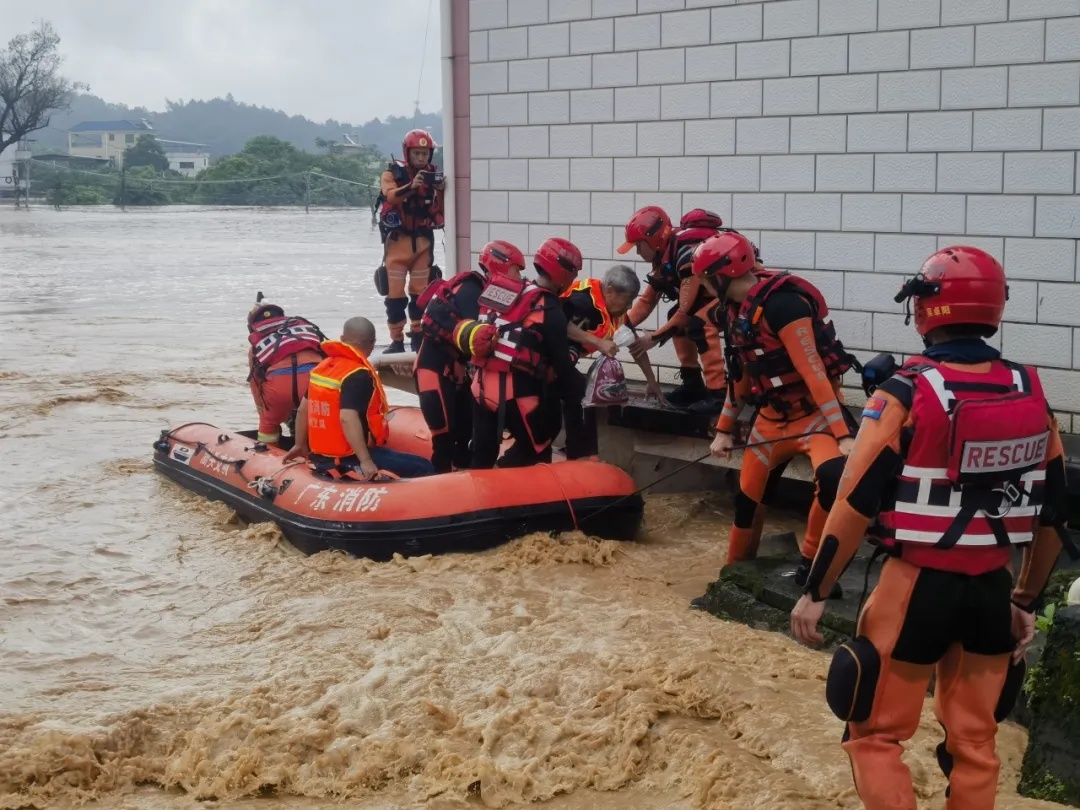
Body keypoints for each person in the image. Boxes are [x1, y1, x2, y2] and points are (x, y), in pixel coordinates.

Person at [790, 246, 1077, 810]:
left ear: (926, 307)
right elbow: (1054, 514)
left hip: (915, 587)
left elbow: (852, 501)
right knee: (975, 741)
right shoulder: (1031, 393)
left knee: (874, 735)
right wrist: (1025, 598)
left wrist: (816, 591)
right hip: (993, 588)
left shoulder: (905, 392)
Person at [691, 231, 861, 591]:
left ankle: (812, 565)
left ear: (721, 275)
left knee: (835, 479)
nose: (702, 287)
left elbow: (814, 374)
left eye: (705, 279)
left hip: (815, 418)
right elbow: (741, 374)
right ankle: (733, 573)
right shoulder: (732, 312)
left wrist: (844, 436)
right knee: (746, 500)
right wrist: (724, 430)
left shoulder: (786, 307)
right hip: (769, 419)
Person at [469, 237, 585, 469]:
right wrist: (575, 354)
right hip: (517, 396)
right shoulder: (550, 308)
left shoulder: (509, 291)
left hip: (480, 388)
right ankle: (571, 462)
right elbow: (562, 367)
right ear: (565, 273)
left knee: (480, 461)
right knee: (538, 452)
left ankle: (479, 492)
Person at [414, 239, 526, 473]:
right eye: (517, 270)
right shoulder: (470, 289)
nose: (519, 277)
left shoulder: (483, 292)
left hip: (458, 372)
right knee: (444, 439)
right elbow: (477, 337)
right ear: (501, 266)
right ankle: (440, 494)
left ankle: (466, 483)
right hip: (433, 370)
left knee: (465, 434)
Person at [284, 317, 435, 479]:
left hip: (320, 457)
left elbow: (302, 411)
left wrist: (299, 445)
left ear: (342, 339)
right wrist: (365, 460)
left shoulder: (323, 368)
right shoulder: (358, 374)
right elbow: (347, 418)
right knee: (423, 466)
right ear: (373, 343)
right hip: (348, 458)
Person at [617, 206, 729, 413]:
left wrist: (652, 338)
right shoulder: (668, 255)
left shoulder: (686, 253)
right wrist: (619, 325)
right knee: (676, 318)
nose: (638, 252)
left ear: (654, 238)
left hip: (738, 298)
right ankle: (693, 386)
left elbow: (684, 313)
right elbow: (647, 301)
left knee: (700, 323)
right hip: (714, 298)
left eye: (639, 246)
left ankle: (718, 396)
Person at [560, 264, 667, 459]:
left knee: (583, 393)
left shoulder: (617, 312)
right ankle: (579, 454)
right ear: (609, 292)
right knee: (577, 392)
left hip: (566, 360)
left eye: (632, 301)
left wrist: (652, 382)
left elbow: (636, 346)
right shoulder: (583, 302)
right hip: (547, 355)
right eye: (627, 300)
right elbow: (558, 324)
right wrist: (597, 342)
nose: (629, 307)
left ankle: (585, 452)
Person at [374, 129, 446, 354]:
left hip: (423, 243)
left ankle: (417, 337)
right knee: (394, 296)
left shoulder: (433, 176)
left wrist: (441, 190)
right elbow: (391, 196)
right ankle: (396, 341)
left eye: (425, 154)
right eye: (417, 153)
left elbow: (440, 214)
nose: (422, 158)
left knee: (420, 294)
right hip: (397, 244)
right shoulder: (391, 173)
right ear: (408, 153)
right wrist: (412, 185)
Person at [246, 301, 326, 447]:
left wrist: (265, 414)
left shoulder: (257, 346)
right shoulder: (306, 330)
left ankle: (268, 458)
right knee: (321, 420)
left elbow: (256, 385)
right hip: (314, 384)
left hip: (279, 389)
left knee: (268, 424)